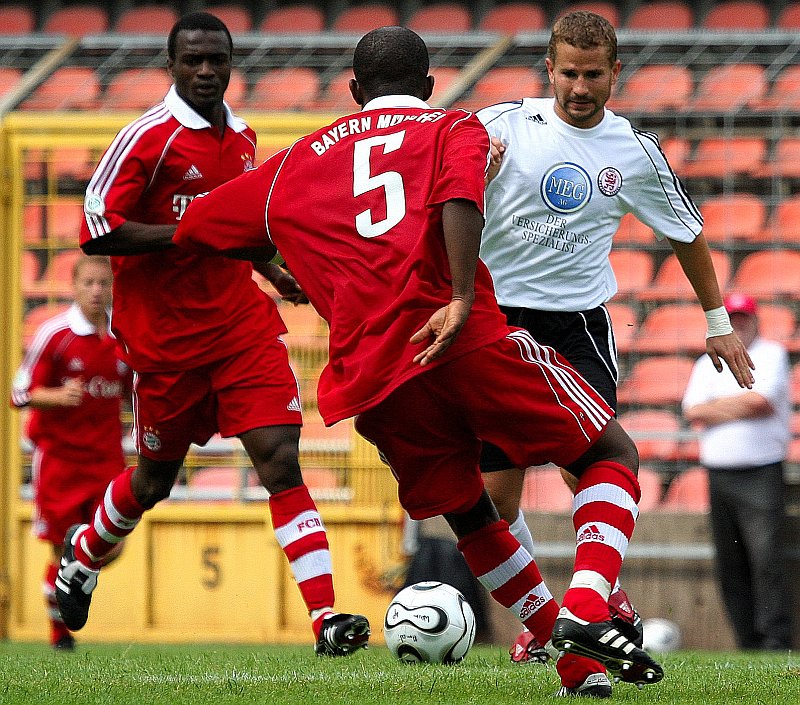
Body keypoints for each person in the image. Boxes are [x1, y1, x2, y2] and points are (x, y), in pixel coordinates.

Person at [173, 25, 665, 698]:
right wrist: (461, 294)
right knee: (610, 451)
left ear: (353, 92)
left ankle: (575, 666)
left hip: (373, 379)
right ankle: (585, 604)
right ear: (429, 87)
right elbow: (457, 196)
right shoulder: (451, 128)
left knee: (468, 512)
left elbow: (197, 225)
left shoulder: (293, 164)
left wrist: (279, 262)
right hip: (459, 337)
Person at [56, 12, 369, 657]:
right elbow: (95, 227)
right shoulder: (149, 137)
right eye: (192, 61)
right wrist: (187, 234)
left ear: (231, 64)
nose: (205, 72)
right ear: (172, 65)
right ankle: (83, 559)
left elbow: (235, 223)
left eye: (216, 61)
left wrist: (273, 270)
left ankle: (327, 619)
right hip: (164, 343)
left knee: (280, 457)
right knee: (153, 481)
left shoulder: (243, 137)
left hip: (239, 326)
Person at [475, 10, 755, 663]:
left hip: (577, 328)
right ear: (550, 68)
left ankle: (588, 605)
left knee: (596, 469)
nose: (579, 86)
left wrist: (717, 323)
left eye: (592, 74)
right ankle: (554, 614)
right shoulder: (500, 127)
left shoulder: (632, 149)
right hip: (499, 322)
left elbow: (685, 231)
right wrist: (472, 172)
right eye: (568, 72)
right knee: (495, 495)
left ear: (614, 73)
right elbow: (435, 183)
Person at [11, 255, 130, 651]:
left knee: (115, 542)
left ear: (113, 287)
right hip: (60, 458)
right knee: (57, 545)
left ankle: (77, 566)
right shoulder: (55, 334)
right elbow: (20, 392)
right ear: (74, 287)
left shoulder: (124, 334)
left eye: (103, 283)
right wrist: (58, 396)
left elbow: (136, 387)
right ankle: (60, 636)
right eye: (89, 283)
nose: (97, 291)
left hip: (107, 458)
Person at [682, 293, 792, 651]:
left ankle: (776, 639)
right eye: (733, 318)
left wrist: (715, 408)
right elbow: (692, 411)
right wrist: (736, 406)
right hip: (720, 474)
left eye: (744, 318)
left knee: (766, 561)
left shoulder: (771, 354)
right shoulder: (705, 362)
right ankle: (747, 640)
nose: (739, 324)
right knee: (731, 564)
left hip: (761, 472)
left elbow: (760, 402)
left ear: (755, 320)